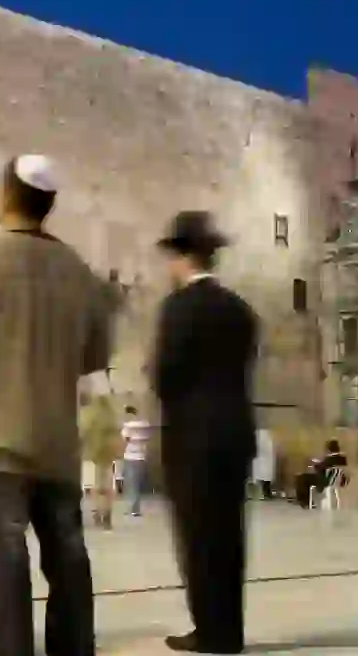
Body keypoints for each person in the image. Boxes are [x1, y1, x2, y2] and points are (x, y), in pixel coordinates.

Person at [0, 154, 112, 656]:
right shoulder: (80, 272)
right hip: (58, 442)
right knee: (68, 559)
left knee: (2, 561)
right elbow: (94, 355)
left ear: (5, 195)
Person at [153, 211, 259, 654]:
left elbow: (165, 377)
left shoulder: (178, 308)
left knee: (197, 537)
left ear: (181, 256)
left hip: (192, 439)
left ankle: (208, 631)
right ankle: (229, 631)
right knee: (229, 536)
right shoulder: (241, 311)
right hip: (235, 434)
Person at [79, 380, 119, 530]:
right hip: (108, 456)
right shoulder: (110, 415)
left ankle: (97, 513)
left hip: (92, 454)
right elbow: (116, 434)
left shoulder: (88, 413)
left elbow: (82, 432)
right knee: (107, 486)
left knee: (95, 487)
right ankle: (107, 515)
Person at [294, 439, 348, 509]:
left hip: (326, 481)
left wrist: (315, 464)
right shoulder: (343, 458)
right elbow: (325, 466)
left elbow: (320, 467)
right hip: (338, 481)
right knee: (304, 478)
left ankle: (305, 502)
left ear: (328, 449)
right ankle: (305, 501)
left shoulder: (330, 458)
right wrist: (320, 464)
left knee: (301, 477)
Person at [120, 405, 152, 516]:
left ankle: (133, 509)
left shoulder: (127, 427)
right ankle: (135, 508)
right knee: (136, 484)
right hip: (141, 456)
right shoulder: (144, 425)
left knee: (130, 484)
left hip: (130, 456)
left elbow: (125, 439)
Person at [252, 428, 276, 500]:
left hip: (264, 460)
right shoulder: (264, 436)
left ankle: (265, 493)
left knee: (265, 476)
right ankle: (264, 493)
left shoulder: (264, 436)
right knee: (264, 476)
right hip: (263, 459)